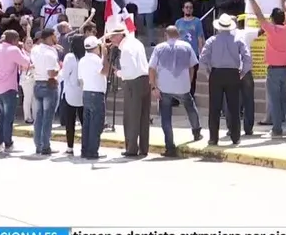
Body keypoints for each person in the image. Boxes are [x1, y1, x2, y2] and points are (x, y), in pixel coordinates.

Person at [247, 0, 286, 137]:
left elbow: (259, 14)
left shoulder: (271, 29)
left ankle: (277, 130)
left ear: (273, 19)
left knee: (275, 101)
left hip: (274, 70)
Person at [149, 26, 202, 157]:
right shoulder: (187, 46)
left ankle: (170, 147)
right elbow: (192, 67)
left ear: (166, 34)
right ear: (178, 34)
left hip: (164, 87)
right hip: (182, 86)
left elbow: (151, 68)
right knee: (190, 107)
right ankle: (196, 131)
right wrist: (188, 81)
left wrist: (153, 87)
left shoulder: (159, 48)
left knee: (166, 117)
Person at [199, 14, 252, 146]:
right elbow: (247, 57)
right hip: (233, 73)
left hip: (216, 73)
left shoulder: (211, 40)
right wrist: (243, 72)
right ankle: (235, 137)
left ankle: (213, 138)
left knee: (214, 108)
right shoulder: (238, 40)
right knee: (234, 107)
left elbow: (203, 59)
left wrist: (208, 72)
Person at [108, 25, 151, 157]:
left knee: (132, 116)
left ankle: (132, 148)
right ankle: (144, 148)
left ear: (121, 35)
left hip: (133, 82)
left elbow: (130, 71)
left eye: (113, 36)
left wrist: (119, 73)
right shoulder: (136, 43)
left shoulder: (126, 49)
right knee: (143, 116)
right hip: (145, 79)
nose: (112, 39)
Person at [0, 30, 30, 152]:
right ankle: (8, 143)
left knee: (3, 116)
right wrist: (22, 49)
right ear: (15, 40)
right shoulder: (14, 50)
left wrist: (1, 40)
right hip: (9, 88)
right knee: (9, 118)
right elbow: (26, 62)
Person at [30, 28, 61, 155]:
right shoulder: (50, 54)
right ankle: (45, 146)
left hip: (37, 83)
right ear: (50, 37)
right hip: (48, 84)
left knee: (39, 117)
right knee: (47, 118)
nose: (56, 38)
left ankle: (38, 144)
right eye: (55, 36)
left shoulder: (35, 49)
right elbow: (51, 73)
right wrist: (59, 69)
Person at [79, 36, 110, 160]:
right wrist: (105, 56)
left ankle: (85, 149)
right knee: (96, 124)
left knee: (87, 124)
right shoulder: (96, 60)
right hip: (96, 94)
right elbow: (105, 71)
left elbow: (80, 78)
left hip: (86, 92)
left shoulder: (82, 60)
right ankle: (92, 151)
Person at [60, 36, 86, 155]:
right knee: (84, 122)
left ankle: (70, 147)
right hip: (83, 93)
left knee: (70, 123)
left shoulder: (70, 57)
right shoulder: (86, 57)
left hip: (70, 93)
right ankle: (85, 146)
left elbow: (65, 74)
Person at [175, 0, 205, 96]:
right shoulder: (178, 22)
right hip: (180, 53)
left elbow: (200, 37)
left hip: (193, 52)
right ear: (183, 9)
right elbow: (175, 37)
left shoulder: (197, 22)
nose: (188, 9)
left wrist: (201, 53)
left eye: (190, 7)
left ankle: (190, 96)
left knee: (192, 77)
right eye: (186, 7)